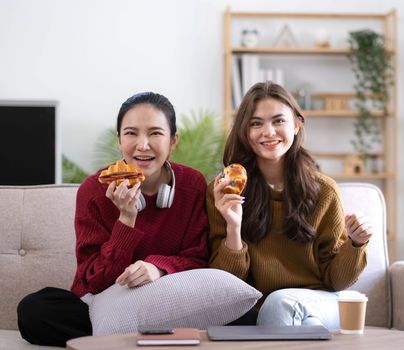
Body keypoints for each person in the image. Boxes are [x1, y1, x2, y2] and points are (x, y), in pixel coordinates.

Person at [17, 92, 209, 347]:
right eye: (131, 133)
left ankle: (122, 337)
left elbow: (200, 259)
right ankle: (145, 335)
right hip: (107, 300)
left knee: (246, 316)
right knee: (35, 310)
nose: (143, 145)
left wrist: (158, 268)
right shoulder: (93, 190)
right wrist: (126, 221)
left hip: (168, 301)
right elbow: (92, 280)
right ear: (119, 140)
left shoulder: (193, 185)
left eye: (155, 133)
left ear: (173, 140)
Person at [207, 81, 373, 328]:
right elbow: (227, 287)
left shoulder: (324, 191)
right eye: (256, 123)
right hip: (260, 313)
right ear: (244, 131)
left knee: (281, 304)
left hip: (318, 300)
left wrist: (356, 243)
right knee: (291, 320)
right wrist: (233, 227)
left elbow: (337, 280)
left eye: (278, 121)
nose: (268, 132)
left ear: (296, 124)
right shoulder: (224, 191)